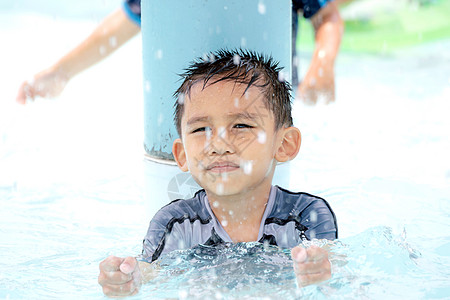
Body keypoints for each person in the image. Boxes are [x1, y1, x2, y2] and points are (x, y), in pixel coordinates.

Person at [97, 49, 338, 297]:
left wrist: (318, 269)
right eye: (201, 129)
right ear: (182, 154)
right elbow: (151, 272)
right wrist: (128, 277)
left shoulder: (306, 216)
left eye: (241, 125)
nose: (219, 144)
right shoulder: (176, 223)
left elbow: (330, 266)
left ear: (284, 144)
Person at [16, 0, 343, 105]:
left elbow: (326, 16)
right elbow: (130, 19)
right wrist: (61, 72)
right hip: (198, 99)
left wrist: (323, 64)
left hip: (268, 96)